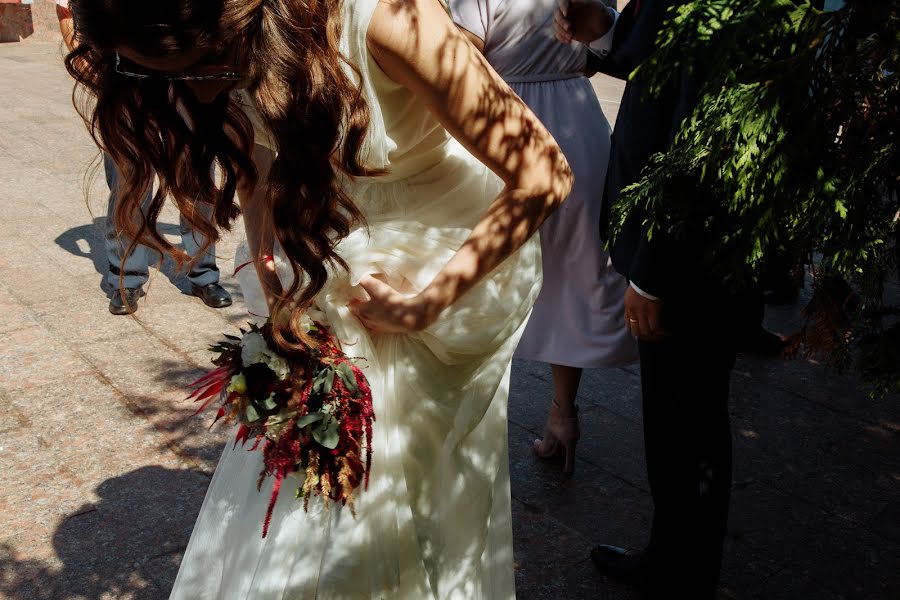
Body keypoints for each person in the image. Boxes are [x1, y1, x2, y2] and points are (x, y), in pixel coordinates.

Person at [65, 0, 573, 598]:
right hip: (335, 235)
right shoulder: (241, 40)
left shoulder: (391, 21)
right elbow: (258, 153)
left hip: (438, 260)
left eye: (195, 71)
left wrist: (426, 303)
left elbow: (544, 173)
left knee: (399, 477)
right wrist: (265, 260)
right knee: (312, 471)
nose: (189, 96)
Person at [557, 1, 735, 598]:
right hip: (674, 254)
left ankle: (681, 574)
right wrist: (604, 30)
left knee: (686, 423)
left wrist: (652, 275)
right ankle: (673, 556)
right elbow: (657, 51)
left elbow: (698, 150)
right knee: (675, 422)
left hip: (683, 264)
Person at [449, 0, 636, 476]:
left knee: (478, 277)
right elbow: (600, 49)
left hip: (501, 129)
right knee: (570, 282)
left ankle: (462, 426)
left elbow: (462, 59)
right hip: (578, 127)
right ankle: (562, 416)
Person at [56, 0, 232, 315]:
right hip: (125, 76)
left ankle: (203, 272)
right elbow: (67, 10)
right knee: (129, 181)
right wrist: (89, 65)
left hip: (187, 74)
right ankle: (126, 279)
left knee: (196, 176)